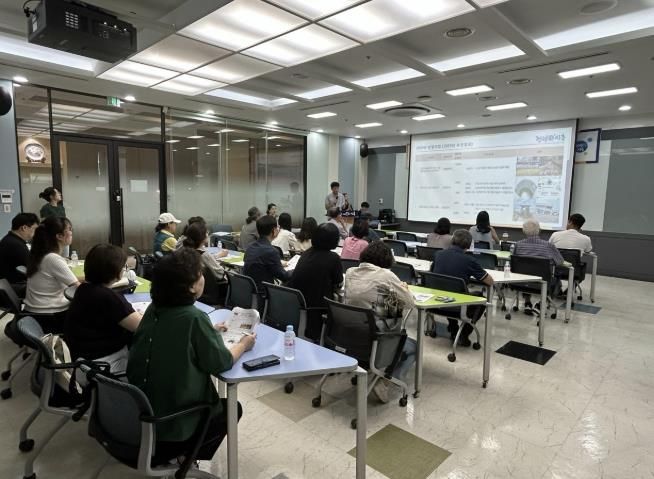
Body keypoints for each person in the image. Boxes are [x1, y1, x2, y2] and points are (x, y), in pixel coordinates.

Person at [127, 248, 255, 465]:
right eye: (200, 274)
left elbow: (172, 334)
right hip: (172, 426)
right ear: (191, 286)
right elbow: (222, 362)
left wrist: (209, 330)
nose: (203, 278)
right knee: (233, 409)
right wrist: (243, 344)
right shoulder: (194, 318)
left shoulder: (154, 309)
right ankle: (186, 458)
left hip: (141, 416)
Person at [343, 241, 416, 403]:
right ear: (386, 260)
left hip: (349, 336)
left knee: (384, 311)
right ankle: (384, 381)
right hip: (375, 340)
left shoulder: (350, 272)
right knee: (413, 347)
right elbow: (410, 303)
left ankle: (372, 369)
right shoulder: (386, 275)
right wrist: (404, 289)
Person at [64, 244, 142, 373]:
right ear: (116, 272)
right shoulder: (108, 297)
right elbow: (142, 326)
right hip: (103, 364)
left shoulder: (83, 289)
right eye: (123, 267)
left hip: (81, 360)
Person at [431, 229, 493, 345]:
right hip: (457, 305)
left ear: (452, 240)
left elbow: (432, 273)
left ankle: (453, 328)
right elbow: (489, 281)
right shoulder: (469, 261)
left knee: (449, 289)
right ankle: (464, 334)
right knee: (481, 298)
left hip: (435, 302)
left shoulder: (438, 254)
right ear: (469, 245)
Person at [23, 217, 80, 333]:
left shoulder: (42, 254)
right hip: (50, 317)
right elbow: (79, 288)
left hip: (37, 313)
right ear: (59, 236)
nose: (71, 232)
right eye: (69, 229)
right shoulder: (53, 259)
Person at [287, 223, 343, 341]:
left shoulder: (306, 253)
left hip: (297, 304)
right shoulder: (333, 258)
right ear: (334, 240)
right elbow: (339, 283)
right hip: (317, 308)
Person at [514, 218, 564, 315]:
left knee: (526, 272)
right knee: (556, 280)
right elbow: (560, 261)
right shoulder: (548, 246)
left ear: (523, 231)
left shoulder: (518, 245)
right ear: (539, 230)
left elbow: (514, 261)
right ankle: (540, 304)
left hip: (521, 282)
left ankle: (527, 302)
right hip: (542, 282)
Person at [243, 215, 291, 293]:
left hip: (249, 291)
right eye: (277, 227)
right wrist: (295, 270)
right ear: (274, 230)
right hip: (264, 293)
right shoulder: (272, 251)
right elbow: (283, 276)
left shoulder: (250, 247)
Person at [0, 213, 39, 296]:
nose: (35, 233)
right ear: (24, 228)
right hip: (13, 286)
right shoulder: (16, 245)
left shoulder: (9, 239)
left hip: (9, 284)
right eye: (34, 229)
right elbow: (34, 267)